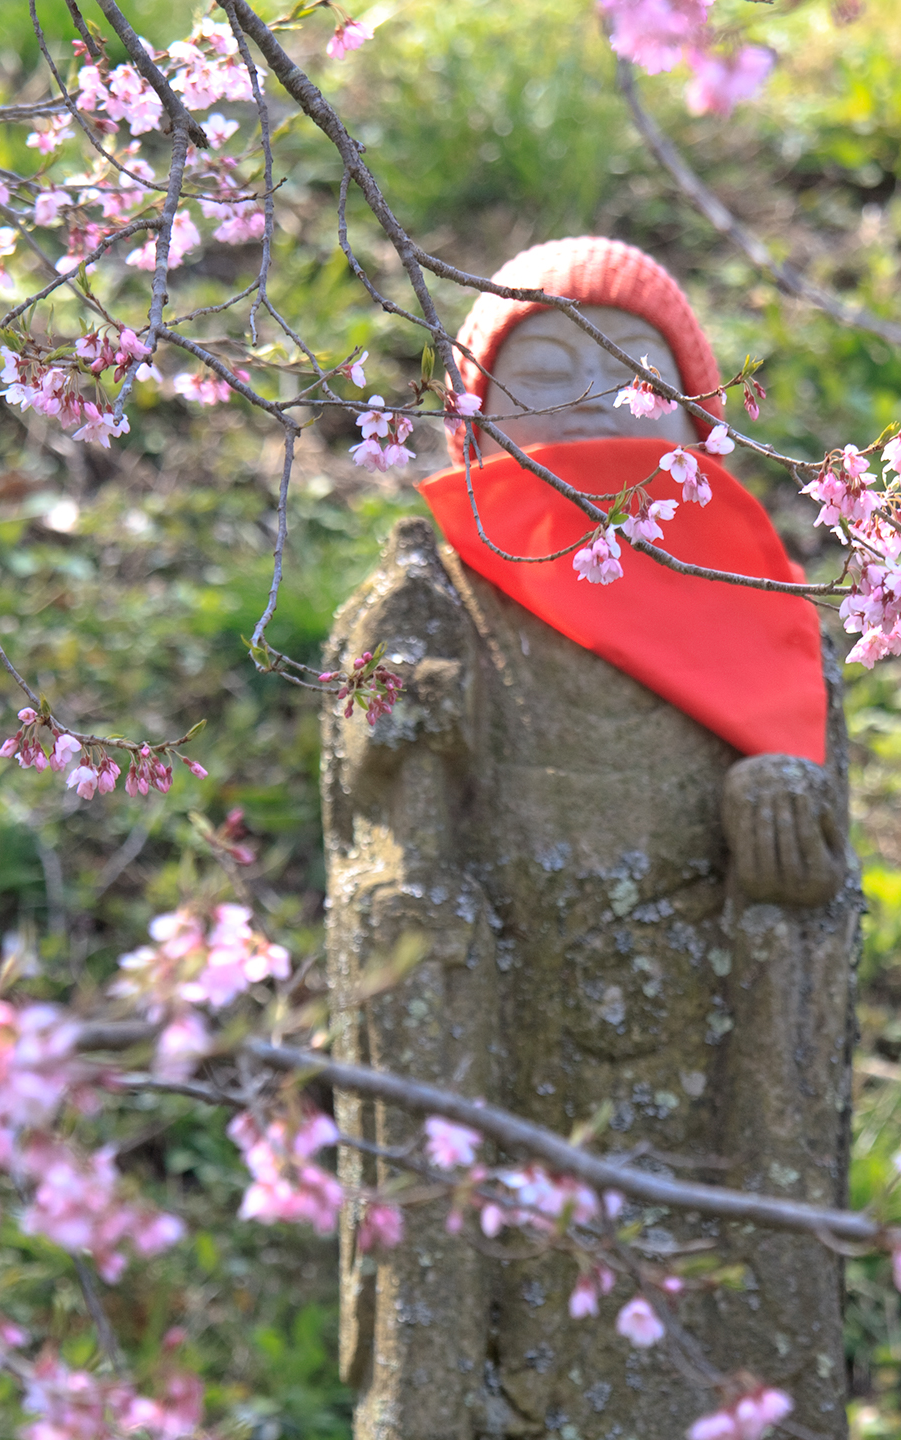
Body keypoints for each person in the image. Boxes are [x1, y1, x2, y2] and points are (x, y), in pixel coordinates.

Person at [323, 237, 857, 1439]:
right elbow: (371, 828)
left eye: (629, 374)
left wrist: (789, 885)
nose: (584, 400)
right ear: (475, 411)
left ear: (695, 416)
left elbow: (823, 895)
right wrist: (404, 749)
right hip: (502, 1047)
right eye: (544, 370)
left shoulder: (772, 621)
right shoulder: (427, 600)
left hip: (700, 1077)